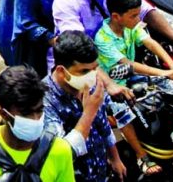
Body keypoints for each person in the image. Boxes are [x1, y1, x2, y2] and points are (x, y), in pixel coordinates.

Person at [42, 31, 127, 182]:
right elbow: (61, 153)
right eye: (84, 71)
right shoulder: (44, 101)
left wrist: (115, 158)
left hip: (99, 171)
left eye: (95, 69)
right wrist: (89, 112)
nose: (92, 75)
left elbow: (103, 125)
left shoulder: (90, 84)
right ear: (62, 71)